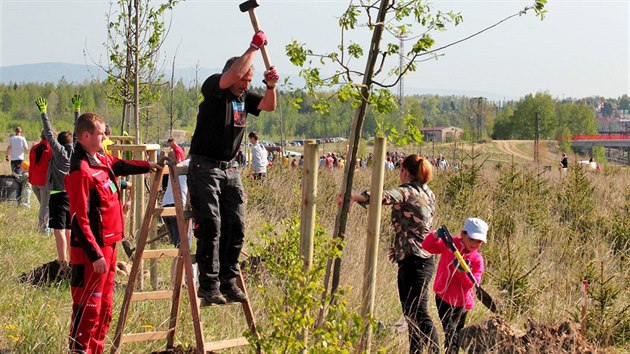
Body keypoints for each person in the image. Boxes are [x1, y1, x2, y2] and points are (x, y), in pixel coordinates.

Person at [187, 30, 278, 304]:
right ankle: (209, 284)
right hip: (205, 167)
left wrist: (271, 85)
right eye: (243, 80)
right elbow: (230, 78)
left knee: (235, 225)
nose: (244, 86)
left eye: (249, 82)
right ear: (232, 74)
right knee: (211, 224)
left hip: (230, 170)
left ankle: (228, 280)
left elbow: (268, 105)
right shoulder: (215, 86)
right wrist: (253, 47)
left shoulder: (243, 96)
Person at [65, 111, 161, 354]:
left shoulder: (100, 159)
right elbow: (79, 218)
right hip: (91, 253)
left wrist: (148, 165)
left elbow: (118, 165)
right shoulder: (81, 169)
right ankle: (80, 350)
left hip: (110, 246)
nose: (105, 136)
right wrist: (94, 253)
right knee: (89, 307)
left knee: (105, 306)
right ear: (86, 136)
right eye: (100, 133)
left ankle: (97, 350)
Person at [349, 154, 440, 354]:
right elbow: (417, 228)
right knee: (411, 313)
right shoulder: (428, 193)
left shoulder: (407, 191)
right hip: (417, 258)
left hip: (416, 260)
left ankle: (435, 351)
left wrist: (356, 197)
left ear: (405, 172)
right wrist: (400, 247)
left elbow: (384, 196)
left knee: (419, 312)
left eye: (400, 170)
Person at [422, 218, 488, 354]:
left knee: (455, 337)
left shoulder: (477, 260)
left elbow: (471, 284)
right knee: (451, 333)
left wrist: (461, 273)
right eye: (472, 239)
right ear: (463, 234)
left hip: (462, 305)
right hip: (443, 298)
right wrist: (434, 235)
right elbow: (428, 246)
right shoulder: (450, 244)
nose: (475, 244)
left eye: (479, 241)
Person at [36, 95, 81, 264]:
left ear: (60, 143)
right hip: (72, 196)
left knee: (59, 230)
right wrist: (77, 111)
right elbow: (78, 132)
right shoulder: (77, 152)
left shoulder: (60, 152)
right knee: (69, 230)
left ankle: (62, 262)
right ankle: (72, 260)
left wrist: (44, 113)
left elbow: (48, 133)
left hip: (57, 194)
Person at [29, 130, 53, 232]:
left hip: (34, 181)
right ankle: (43, 228)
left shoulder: (34, 148)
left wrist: (30, 179)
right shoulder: (51, 149)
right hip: (44, 182)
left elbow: (31, 165)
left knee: (44, 206)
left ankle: (47, 225)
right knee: (45, 206)